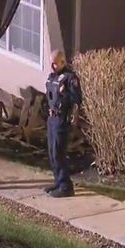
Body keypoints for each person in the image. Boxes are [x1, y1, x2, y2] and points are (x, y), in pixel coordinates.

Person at [44, 49, 82, 198]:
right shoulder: (52, 77)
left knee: (59, 153)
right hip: (51, 118)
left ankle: (66, 186)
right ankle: (58, 181)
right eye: (51, 64)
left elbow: (77, 99)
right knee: (52, 152)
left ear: (62, 62)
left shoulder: (70, 78)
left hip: (61, 119)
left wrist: (64, 93)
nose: (53, 67)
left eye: (55, 64)